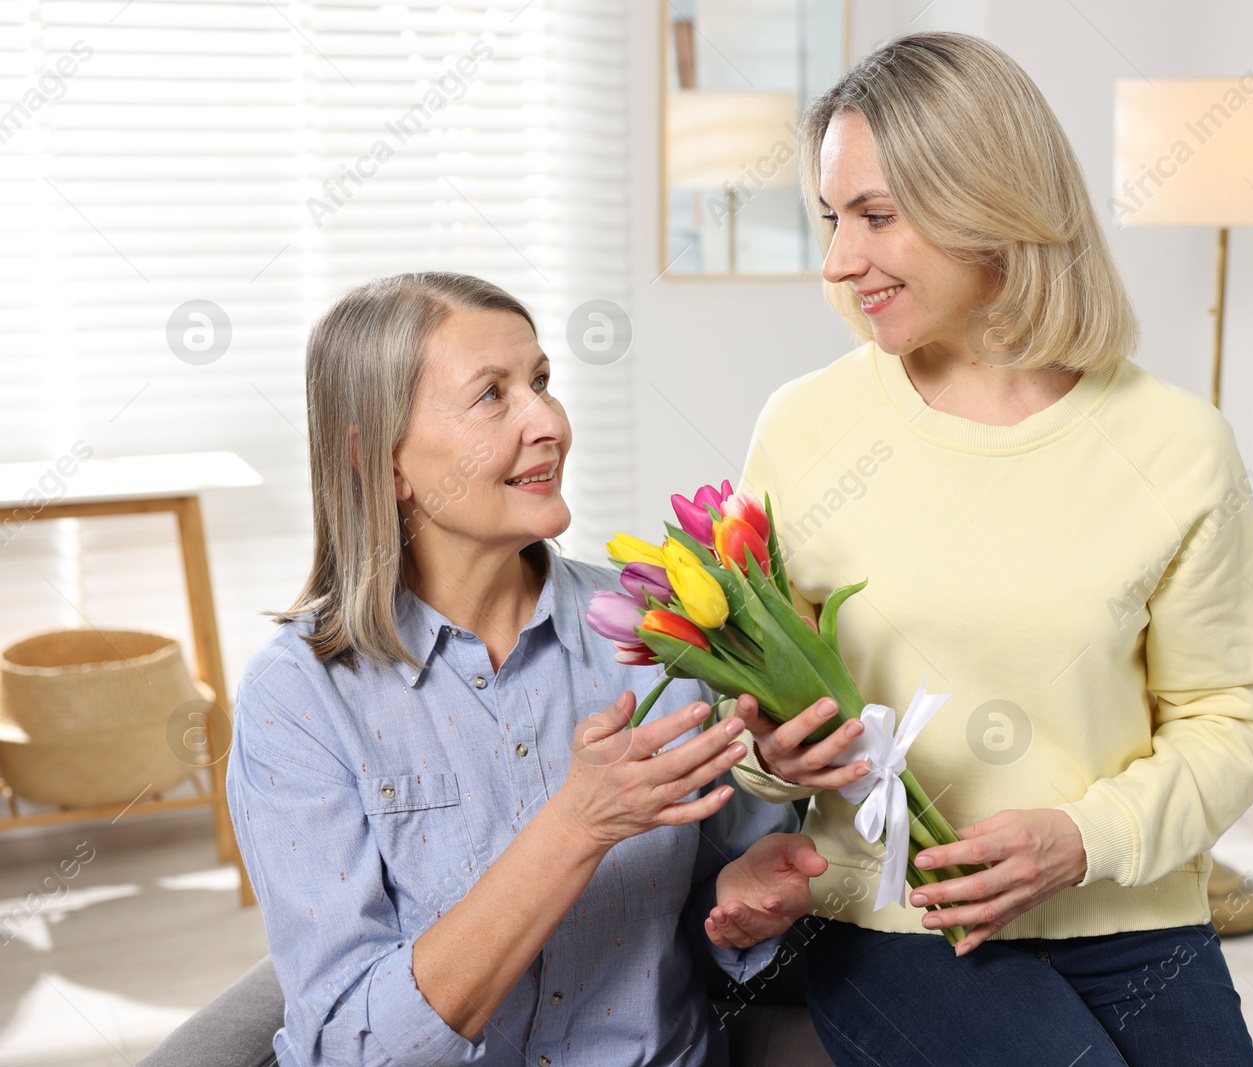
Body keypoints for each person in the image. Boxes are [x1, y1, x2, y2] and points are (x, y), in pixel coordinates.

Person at [724, 32, 1253, 1067]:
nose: (837, 260)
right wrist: (772, 754)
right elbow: (756, 703)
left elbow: (1237, 709)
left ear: (991, 204)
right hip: (892, 923)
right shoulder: (803, 427)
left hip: (1134, 915)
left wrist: (1083, 837)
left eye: (875, 217)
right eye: (829, 218)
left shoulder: (1174, 443)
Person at [225, 272, 826, 1067]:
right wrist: (576, 826)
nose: (549, 422)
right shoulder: (299, 698)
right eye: (492, 396)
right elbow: (352, 1048)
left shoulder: (657, 629)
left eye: (542, 383)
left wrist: (740, 899)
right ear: (383, 460)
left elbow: (708, 909)